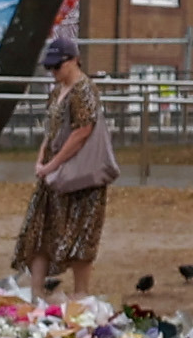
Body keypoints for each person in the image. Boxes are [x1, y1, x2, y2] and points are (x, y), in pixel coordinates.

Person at [8, 28, 116, 299]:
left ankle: (81, 295)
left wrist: (53, 163)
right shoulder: (57, 91)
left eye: (58, 65)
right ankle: (36, 292)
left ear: (74, 60)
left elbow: (83, 131)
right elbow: (51, 129)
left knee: (82, 234)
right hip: (53, 175)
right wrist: (42, 158)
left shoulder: (84, 90)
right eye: (50, 67)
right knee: (39, 228)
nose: (53, 71)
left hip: (81, 178)